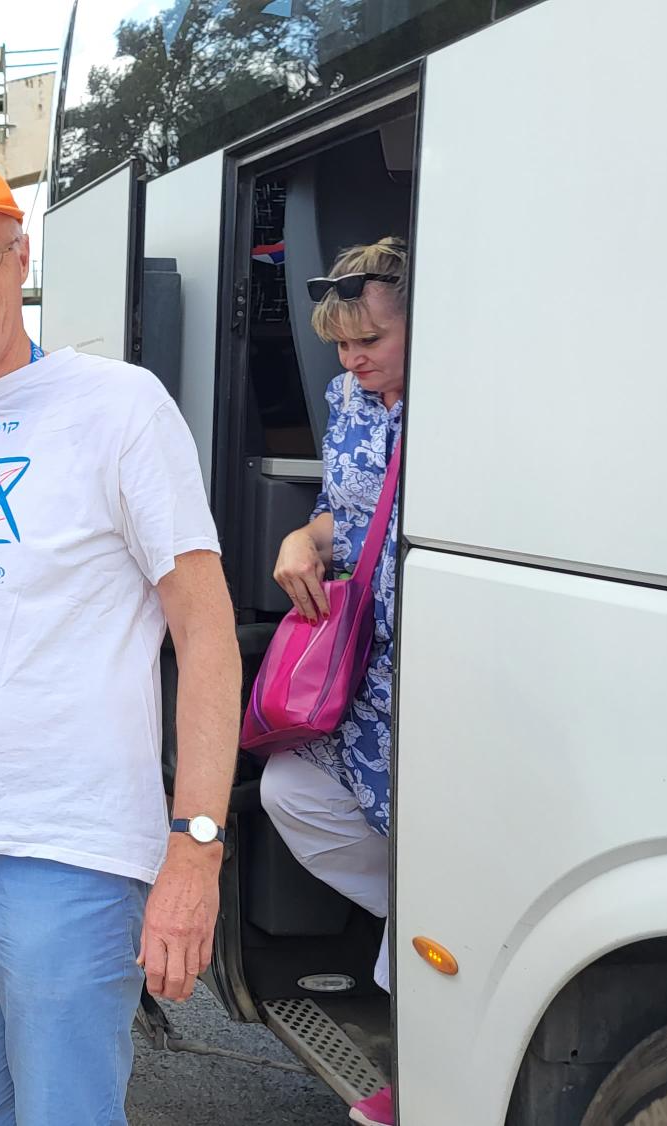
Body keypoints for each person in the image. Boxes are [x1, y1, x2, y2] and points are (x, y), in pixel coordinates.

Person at [0, 162, 240, 1125]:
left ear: (20, 258)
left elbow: (206, 633)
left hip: (71, 855)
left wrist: (195, 850)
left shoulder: (120, 408)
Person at [260, 237, 409, 1126]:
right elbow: (335, 510)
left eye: (371, 341)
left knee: (441, 853)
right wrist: (300, 541)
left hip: (436, 661)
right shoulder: (347, 396)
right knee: (291, 790)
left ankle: (415, 1072)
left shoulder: (470, 398)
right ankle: (437, 919)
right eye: (341, 343)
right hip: (366, 662)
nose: (352, 360)